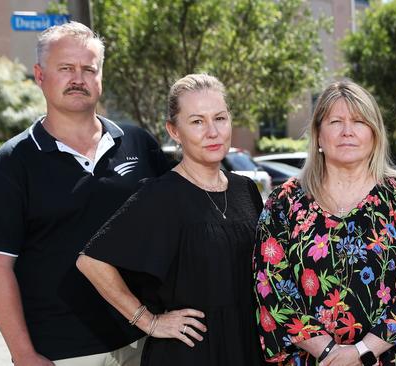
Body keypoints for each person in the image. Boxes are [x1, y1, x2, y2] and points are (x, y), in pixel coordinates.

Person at [0, 21, 169, 365]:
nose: (78, 78)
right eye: (65, 68)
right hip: (62, 351)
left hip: (145, 341)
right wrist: (23, 354)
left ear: (100, 77)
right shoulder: (13, 161)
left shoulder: (138, 144)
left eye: (88, 69)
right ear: (39, 75)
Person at [77, 73, 265, 365]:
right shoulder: (161, 195)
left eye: (220, 118)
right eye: (197, 122)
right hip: (191, 353)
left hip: (248, 347)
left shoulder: (245, 190)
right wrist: (148, 321)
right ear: (174, 131)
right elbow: (91, 261)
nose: (213, 132)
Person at [253, 80, 396, 365]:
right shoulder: (285, 203)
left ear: (375, 134)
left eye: (358, 121)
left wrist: (361, 352)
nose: (347, 131)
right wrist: (330, 353)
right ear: (318, 134)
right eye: (335, 121)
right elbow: (271, 287)